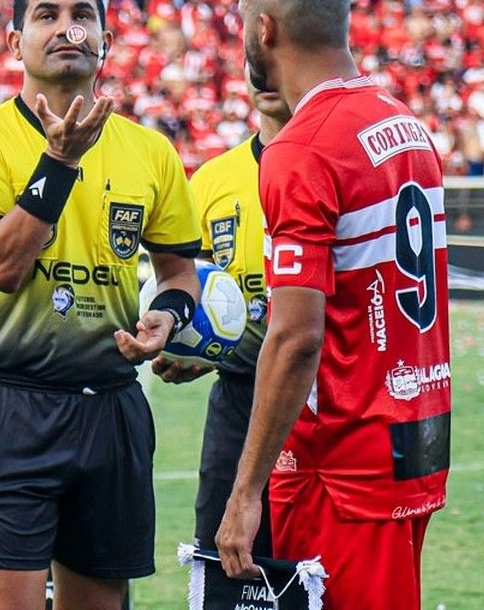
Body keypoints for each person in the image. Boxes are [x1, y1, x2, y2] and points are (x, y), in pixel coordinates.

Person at [0, 0, 202, 610]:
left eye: (82, 15)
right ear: (15, 41)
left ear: (105, 41)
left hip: (111, 407)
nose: (67, 28)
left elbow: (177, 272)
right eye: (47, 15)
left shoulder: (152, 150)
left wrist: (166, 317)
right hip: (10, 406)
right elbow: (0, 268)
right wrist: (59, 163)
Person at [214, 0, 451, 610]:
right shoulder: (406, 125)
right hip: (413, 437)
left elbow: (295, 339)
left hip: (340, 466)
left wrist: (245, 492)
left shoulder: (304, 147)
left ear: (264, 28)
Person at [154, 77, 291, 605]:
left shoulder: (332, 165)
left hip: (324, 400)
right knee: (229, 567)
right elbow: (188, 283)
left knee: (317, 571)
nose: (269, 76)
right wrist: (196, 347)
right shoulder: (212, 180)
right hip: (239, 400)